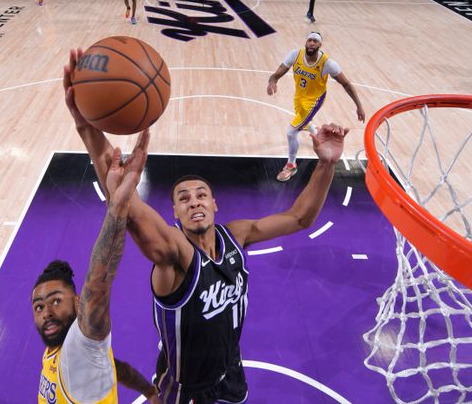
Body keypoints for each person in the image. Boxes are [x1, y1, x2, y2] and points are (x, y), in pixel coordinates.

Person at [63, 49, 349, 403]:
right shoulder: (173, 254)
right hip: (184, 390)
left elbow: (299, 218)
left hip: (231, 371)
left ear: (215, 205)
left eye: (201, 195)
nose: (194, 201)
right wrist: (85, 125)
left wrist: (326, 165)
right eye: (184, 199)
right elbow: (127, 202)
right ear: (175, 214)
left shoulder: (237, 235)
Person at [32, 131, 159, 403]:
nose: (46, 313)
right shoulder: (64, 349)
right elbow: (115, 367)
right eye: (39, 306)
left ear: (79, 303)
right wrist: (149, 391)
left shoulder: (81, 345)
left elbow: (98, 283)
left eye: (56, 301)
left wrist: (119, 203)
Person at [266, 31, 365, 181]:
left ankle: (291, 166)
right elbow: (277, 73)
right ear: (306, 42)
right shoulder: (295, 55)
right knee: (303, 120)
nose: (312, 43)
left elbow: (346, 84)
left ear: (320, 45)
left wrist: (359, 106)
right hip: (299, 96)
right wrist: (272, 81)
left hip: (314, 101)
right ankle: (313, 130)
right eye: (310, 40)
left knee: (291, 132)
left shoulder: (328, 64)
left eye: (315, 41)